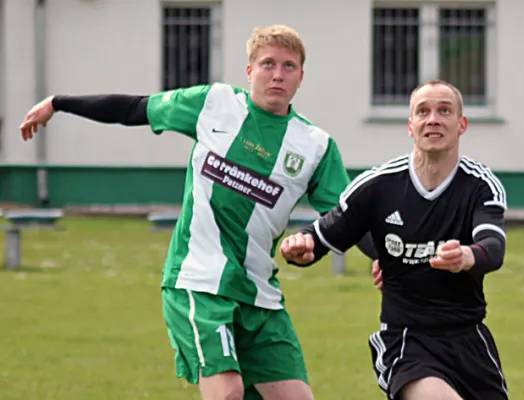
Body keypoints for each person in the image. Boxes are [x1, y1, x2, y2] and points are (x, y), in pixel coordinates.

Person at [19, 25, 376, 400]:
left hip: (259, 295)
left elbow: (349, 219)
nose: (277, 74)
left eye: (289, 66)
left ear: (301, 77)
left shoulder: (315, 146)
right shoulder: (214, 103)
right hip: (198, 281)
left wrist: (385, 257)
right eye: (267, 63)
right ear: (249, 71)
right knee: (227, 393)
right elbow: (134, 109)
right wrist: (59, 102)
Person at [280, 80, 509, 400]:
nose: (433, 119)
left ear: (462, 124)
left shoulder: (481, 185)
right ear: (411, 126)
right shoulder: (378, 185)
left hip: (469, 340)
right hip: (407, 340)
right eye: (423, 111)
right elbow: (322, 235)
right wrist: (300, 245)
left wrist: (466, 256)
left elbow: (493, 247)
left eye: (444, 111)